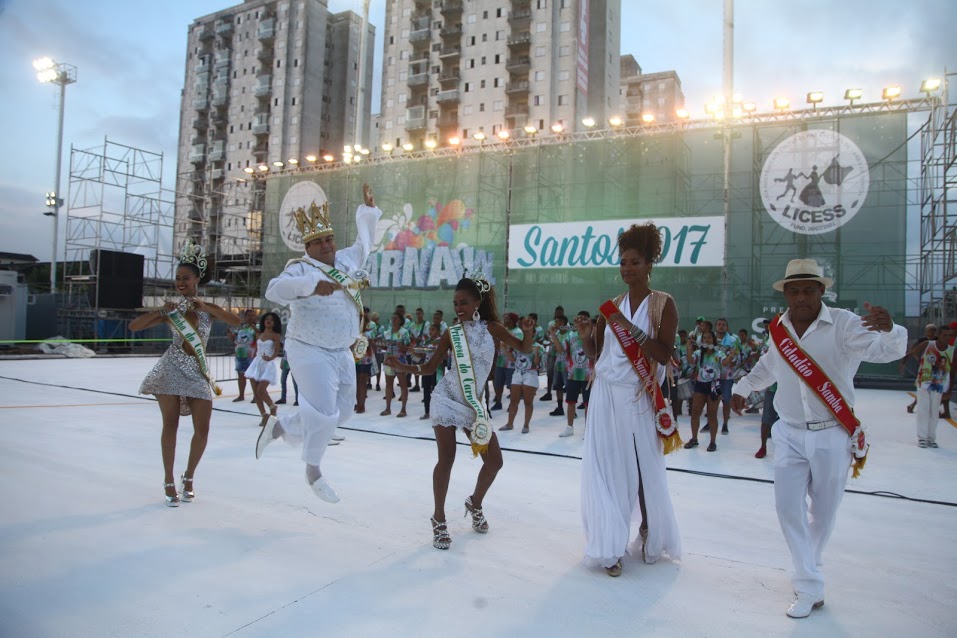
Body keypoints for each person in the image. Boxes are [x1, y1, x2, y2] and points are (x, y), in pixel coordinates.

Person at [731, 258, 906, 618]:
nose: (800, 298)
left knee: (823, 515)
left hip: (832, 435)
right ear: (786, 294)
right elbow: (769, 366)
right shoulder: (779, 328)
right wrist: (744, 387)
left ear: (821, 291)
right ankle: (809, 584)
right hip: (790, 433)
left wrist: (890, 331)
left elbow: (885, 352)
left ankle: (807, 566)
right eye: (793, 291)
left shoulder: (844, 324)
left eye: (808, 290)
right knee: (787, 508)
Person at [385, 275, 535, 550]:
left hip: (473, 404)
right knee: (447, 459)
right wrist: (403, 367)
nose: (459, 308)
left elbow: (524, 348)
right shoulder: (451, 332)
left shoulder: (493, 329)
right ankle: (439, 518)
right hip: (447, 397)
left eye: (464, 302)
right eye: (455, 304)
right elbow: (430, 368)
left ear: (478, 302)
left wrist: (527, 331)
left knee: (494, 462)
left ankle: (474, 502)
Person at [255, 184, 381, 504]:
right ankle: (313, 472)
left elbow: (364, 244)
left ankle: (281, 427)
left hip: (340, 349)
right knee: (324, 412)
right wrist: (311, 286)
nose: (326, 246)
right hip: (307, 347)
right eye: (318, 242)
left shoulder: (345, 259)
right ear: (307, 246)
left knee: (345, 410)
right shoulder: (300, 268)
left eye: (328, 239)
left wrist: (367, 211)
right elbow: (275, 290)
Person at [579, 222, 682, 577]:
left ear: (649, 264)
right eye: (623, 262)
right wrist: (583, 336)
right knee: (607, 470)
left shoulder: (662, 304)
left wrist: (629, 325)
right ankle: (610, 544)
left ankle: (650, 529)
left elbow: (664, 354)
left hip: (639, 398)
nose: (627, 268)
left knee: (643, 469)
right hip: (605, 396)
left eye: (635, 262)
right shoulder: (610, 308)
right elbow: (597, 353)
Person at [131, 241, 242, 506]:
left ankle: (189, 476)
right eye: (178, 278)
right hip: (171, 369)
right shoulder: (172, 310)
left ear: (197, 280)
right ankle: (169, 480)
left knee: (202, 429)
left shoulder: (207, 308)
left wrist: (206, 307)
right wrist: (160, 312)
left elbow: (236, 322)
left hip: (197, 372)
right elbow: (134, 326)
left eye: (186, 278)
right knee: (170, 425)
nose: (181, 282)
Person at [683, 330, 732, 451]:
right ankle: (694, 439)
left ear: (714, 339)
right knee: (695, 413)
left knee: (712, 414)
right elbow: (691, 361)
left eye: (710, 337)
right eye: (705, 338)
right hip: (700, 385)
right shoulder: (699, 353)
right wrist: (689, 348)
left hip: (714, 386)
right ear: (702, 340)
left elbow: (725, 363)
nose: (707, 340)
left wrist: (731, 355)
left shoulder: (719, 354)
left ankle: (712, 442)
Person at [909, 324, 953, 448]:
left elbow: (953, 371)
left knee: (934, 412)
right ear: (938, 335)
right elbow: (912, 351)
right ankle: (922, 437)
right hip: (924, 382)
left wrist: (949, 389)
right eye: (945, 335)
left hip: (939, 385)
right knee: (923, 410)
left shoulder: (951, 350)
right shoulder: (928, 344)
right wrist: (917, 361)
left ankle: (931, 438)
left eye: (949, 335)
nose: (947, 337)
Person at [554, 310, 595, 438]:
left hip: (589, 374)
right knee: (571, 401)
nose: (581, 321)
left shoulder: (593, 334)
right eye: (579, 319)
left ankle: (588, 429)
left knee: (588, 403)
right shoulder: (570, 335)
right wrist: (553, 335)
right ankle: (569, 427)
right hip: (573, 374)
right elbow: (561, 350)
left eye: (584, 319)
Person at [499, 321, 544, 433]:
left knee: (528, 402)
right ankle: (510, 424)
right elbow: (513, 359)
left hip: (531, 373)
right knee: (513, 401)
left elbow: (537, 364)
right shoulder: (518, 344)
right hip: (518, 372)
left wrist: (537, 353)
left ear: (533, 334)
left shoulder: (538, 347)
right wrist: (504, 349)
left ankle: (526, 425)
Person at [245, 312, 282, 426]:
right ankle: (264, 415)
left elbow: (276, 351)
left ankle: (273, 407)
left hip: (268, 364)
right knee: (256, 394)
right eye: (266, 319)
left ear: (275, 322)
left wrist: (270, 358)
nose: (268, 321)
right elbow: (257, 347)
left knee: (261, 390)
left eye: (271, 319)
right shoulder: (259, 334)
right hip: (257, 363)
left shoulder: (275, 335)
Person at [380, 312, 412, 417]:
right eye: (392, 318)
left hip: (400, 361)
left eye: (395, 318)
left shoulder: (404, 332)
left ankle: (403, 409)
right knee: (389, 385)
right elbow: (384, 347)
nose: (393, 320)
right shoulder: (387, 333)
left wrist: (401, 346)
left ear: (400, 321)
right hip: (388, 361)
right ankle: (387, 408)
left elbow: (408, 348)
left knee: (403, 385)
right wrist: (383, 345)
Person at [900, 323, 937, 413]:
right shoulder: (922, 341)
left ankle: (920, 405)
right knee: (924, 388)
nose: (930, 332)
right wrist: (919, 359)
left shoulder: (937, 341)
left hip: (936, 368)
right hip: (924, 368)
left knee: (934, 388)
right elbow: (912, 350)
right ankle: (914, 404)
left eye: (932, 330)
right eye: (928, 330)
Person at [228, 309, 258, 402]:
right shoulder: (240, 328)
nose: (251, 317)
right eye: (249, 315)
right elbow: (235, 341)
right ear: (245, 317)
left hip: (251, 355)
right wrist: (230, 335)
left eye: (253, 315)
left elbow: (259, 339)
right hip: (239, 355)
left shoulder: (257, 327)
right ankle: (241, 395)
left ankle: (256, 396)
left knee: (252, 376)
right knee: (241, 375)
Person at [418, 322, 444, 420]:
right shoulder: (427, 341)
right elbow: (423, 355)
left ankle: (437, 412)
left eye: (433, 329)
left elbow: (443, 354)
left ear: (438, 331)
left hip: (437, 368)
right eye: (430, 330)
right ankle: (427, 412)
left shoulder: (441, 341)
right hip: (427, 367)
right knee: (426, 390)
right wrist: (416, 353)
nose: (430, 332)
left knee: (436, 390)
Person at [354, 312, 376, 414]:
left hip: (365, 360)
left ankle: (361, 404)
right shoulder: (354, 333)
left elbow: (372, 346)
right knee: (357, 383)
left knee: (362, 382)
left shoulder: (369, 333)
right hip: (355, 360)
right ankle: (358, 403)